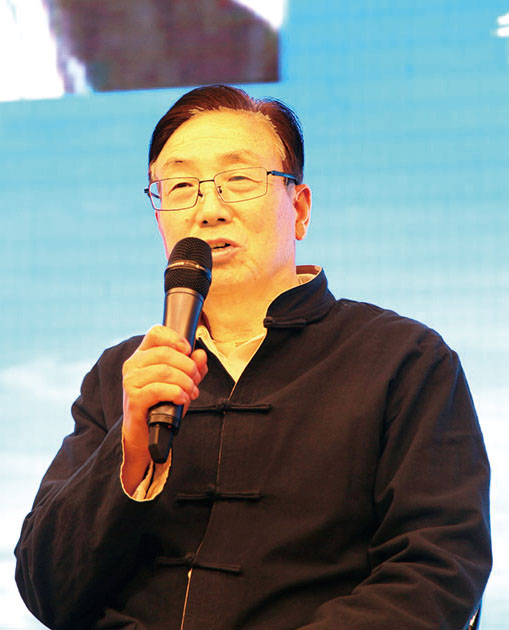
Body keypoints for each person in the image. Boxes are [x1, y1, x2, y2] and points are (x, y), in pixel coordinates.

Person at [15, 85, 491, 630]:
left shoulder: (404, 360)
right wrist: (129, 452)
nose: (208, 210)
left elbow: (437, 570)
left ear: (300, 209)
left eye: (238, 180)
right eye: (181, 186)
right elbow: (47, 590)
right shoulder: (124, 374)